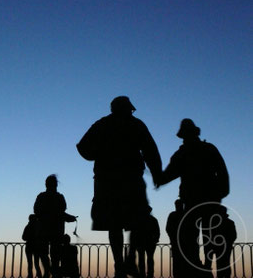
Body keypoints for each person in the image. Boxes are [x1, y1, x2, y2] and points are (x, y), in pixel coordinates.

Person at [76, 96, 162, 278]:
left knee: (117, 224)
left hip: (108, 182)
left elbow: (83, 147)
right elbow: (150, 150)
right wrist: (156, 173)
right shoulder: (136, 124)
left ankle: (122, 264)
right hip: (126, 180)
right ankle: (127, 261)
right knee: (135, 219)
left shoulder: (102, 124)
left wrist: (99, 155)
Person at [158, 119, 230, 277]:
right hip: (209, 199)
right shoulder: (208, 149)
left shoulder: (183, 153)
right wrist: (221, 192)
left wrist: (159, 179)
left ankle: (200, 270)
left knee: (193, 238)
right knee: (211, 238)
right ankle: (207, 270)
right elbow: (222, 172)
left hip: (194, 201)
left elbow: (168, 174)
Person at [34, 175, 76, 278]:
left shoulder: (41, 196)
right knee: (55, 254)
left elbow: (36, 211)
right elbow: (61, 213)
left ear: (46, 184)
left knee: (44, 253)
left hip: (44, 230)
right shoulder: (59, 197)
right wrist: (69, 217)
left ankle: (48, 271)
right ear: (56, 185)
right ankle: (54, 272)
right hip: (57, 231)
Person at [203, 205, 237, 278]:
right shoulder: (230, 222)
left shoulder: (214, 223)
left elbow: (233, 236)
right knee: (224, 264)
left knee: (221, 264)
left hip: (217, 246)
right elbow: (233, 236)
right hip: (224, 247)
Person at [126, 213, 160, 278]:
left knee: (142, 258)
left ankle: (142, 274)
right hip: (150, 243)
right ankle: (150, 274)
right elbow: (157, 231)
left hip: (141, 242)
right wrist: (156, 239)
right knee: (150, 259)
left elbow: (136, 232)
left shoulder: (139, 220)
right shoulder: (153, 220)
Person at [166, 199, 187, 278]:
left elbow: (168, 228)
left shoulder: (173, 215)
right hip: (181, 243)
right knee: (180, 262)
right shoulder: (185, 214)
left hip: (177, 243)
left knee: (177, 262)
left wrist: (172, 238)